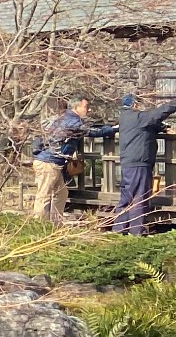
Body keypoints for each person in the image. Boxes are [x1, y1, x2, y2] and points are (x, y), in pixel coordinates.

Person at [112, 90, 176, 235]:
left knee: (126, 197)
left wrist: (163, 127)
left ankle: (119, 229)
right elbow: (158, 113)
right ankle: (136, 231)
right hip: (139, 163)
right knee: (140, 197)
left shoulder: (125, 118)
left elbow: (149, 124)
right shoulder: (138, 117)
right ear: (135, 104)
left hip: (129, 162)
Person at [31, 96, 103, 224]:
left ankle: (55, 223)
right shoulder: (72, 121)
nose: (89, 109)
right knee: (44, 194)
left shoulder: (62, 118)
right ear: (76, 107)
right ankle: (39, 224)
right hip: (49, 161)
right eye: (86, 106)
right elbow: (91, 132)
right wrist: (112, 129)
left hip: (54, 161)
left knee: (61, 193)